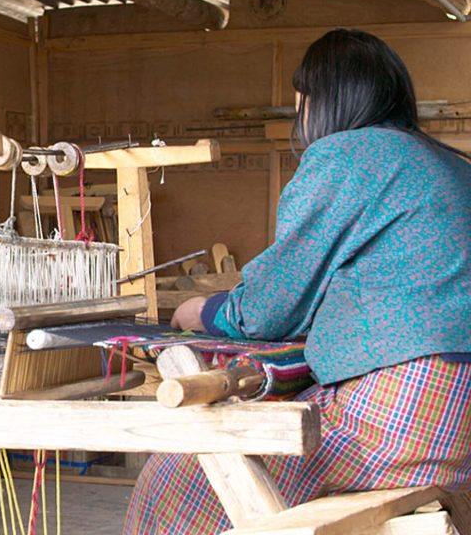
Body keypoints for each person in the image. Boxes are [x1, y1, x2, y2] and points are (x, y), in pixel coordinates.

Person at [125, 29, 471, 533]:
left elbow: (270, 307)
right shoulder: (449, 166)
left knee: (182, 470)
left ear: (319, 101)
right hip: (460, 428)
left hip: (398, 417)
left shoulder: (350, 156)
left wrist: (203, 311)